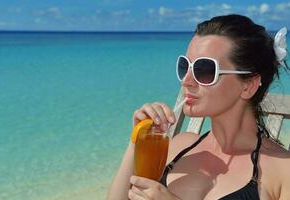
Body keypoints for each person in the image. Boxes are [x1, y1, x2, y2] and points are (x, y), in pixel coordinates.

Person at [106, 14, 290, 200]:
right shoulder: (177, 146)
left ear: (248, 85)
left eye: (204, 70)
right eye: (185, 67)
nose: (186, 81)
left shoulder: (282, 171)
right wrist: (137, 140)